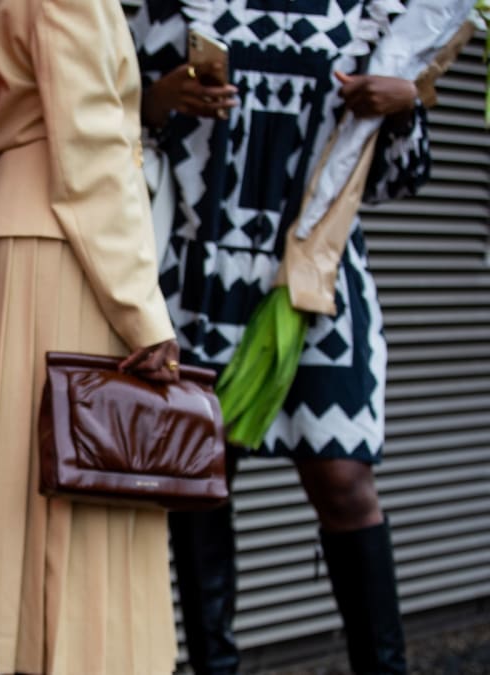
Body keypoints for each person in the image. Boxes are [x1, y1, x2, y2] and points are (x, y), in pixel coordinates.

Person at [130, 1, 443, 673]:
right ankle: (217, 666)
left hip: (314, 273)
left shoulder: (374, 13)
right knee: (201, 478)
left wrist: (404, 104)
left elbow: (400, 178)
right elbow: (115, 129)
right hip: (201, 268)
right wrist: (159, 99)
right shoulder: (176, 7)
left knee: (344, 478)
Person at [0, 0, 184, 672]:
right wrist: (144, 311)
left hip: (17, 239)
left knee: (12, 489)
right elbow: (93, 151)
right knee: (79, 491)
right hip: (66, 248)